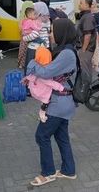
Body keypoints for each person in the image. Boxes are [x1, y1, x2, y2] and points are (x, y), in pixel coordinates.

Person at [28, 19, 78, 187]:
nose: (50, 34)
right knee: (61, 136)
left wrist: (32, 61)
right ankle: (68, 170)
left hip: (59, 104)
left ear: (61, 32)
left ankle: (48, 173)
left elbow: (45, 72)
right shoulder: (66, 50)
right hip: (63, 102)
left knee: (41, 135)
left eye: (52, 31)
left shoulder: (66, 54)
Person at [75, 0, 97, 96]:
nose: (79, 5)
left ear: (87, 5)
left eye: (81, 3)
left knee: (85, 69)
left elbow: (87, 35)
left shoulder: (87, 17)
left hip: (87, 48)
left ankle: (86, 90)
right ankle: (88, 88)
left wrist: (83, 50)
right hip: (87, 48)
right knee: (86, 68)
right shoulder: (85, 16)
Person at [18, 1, 35, 69]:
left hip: (24, 38)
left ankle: (21, 64)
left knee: (22, 51)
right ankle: (25, 64)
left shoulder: (22, 19)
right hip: (28, 38)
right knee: (27, 51)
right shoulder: (30, 21)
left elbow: (21, 29)